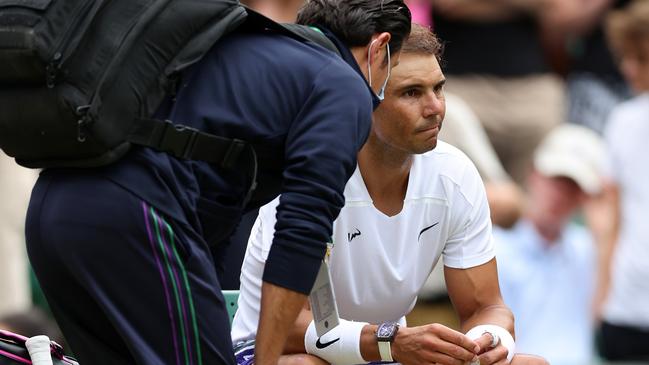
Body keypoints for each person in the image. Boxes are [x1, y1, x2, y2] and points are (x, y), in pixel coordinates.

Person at [24, 1, 411, 364]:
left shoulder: (250, 45)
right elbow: (301, 234)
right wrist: (266, 358)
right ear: (380, 48)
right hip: (138, 215)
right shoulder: (342, 85)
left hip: (52, 209)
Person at [232, 24, 547, 365]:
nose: (435, 107)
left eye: (438, 88)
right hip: (277, 353)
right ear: (362, 100)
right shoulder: (308, 175)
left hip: (383, 353)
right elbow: (287, 326)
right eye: (411, 92)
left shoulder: (456, 174)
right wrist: (389, 342)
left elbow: (486, 307)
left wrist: (487, 341)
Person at [494, 124, 608, 365]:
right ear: (534, 174)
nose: (560, 195)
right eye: (556, 180)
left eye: (573, 187)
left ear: (584, 197)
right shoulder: (493, 247)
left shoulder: (589, 248)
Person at [596, 1, 649, 360]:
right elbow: (610, 217)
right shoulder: (623, 120)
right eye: (625, 56)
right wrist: (600, 299)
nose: (629, 68)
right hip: (626, 307)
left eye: (641, 58)